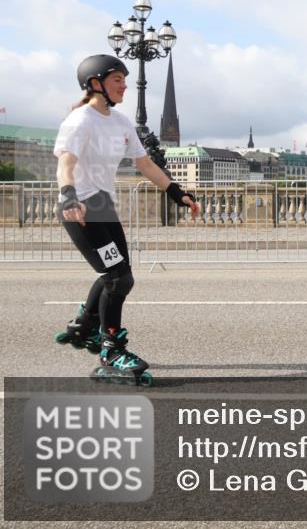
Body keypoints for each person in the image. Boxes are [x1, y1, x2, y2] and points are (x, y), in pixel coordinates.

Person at [54, 55, 200, 385]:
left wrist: (177, 192)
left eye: (124, 79)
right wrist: (68, 195)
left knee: (118, 274)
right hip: (81, 209)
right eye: (117, 79)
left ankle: (85, 325)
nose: (124, 85)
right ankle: (111, 350)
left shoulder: (120, 122)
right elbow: (65, 163)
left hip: (103, 206)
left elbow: (146, 165)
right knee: (117, 278)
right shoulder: (80, 121)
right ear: (95, 84)